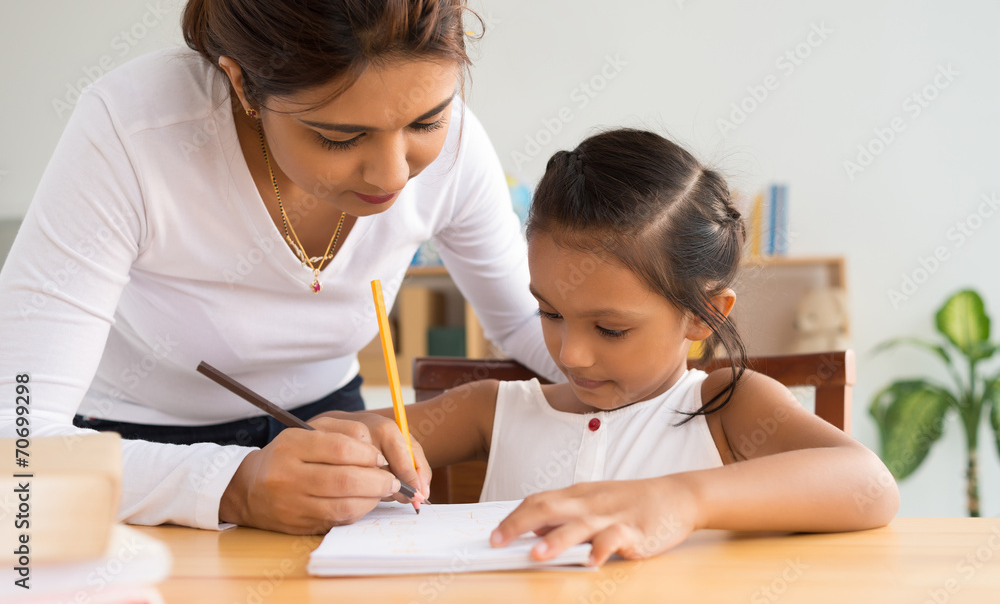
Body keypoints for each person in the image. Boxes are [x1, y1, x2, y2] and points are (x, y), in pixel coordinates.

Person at [0, 0, 562, 535]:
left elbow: (531, 324)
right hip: (133, 454)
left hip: (338, 442)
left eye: (426, 121)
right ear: (242, 87)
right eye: (341, 137)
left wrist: (664, 384)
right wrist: (237, 487)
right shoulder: (133, 132)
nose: (394, 174)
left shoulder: (459, 149)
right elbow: (17, 439)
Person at [337, 128, 900, 565]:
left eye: (609, 329)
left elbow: (870, 486)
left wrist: (682, 500)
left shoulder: (729, 405)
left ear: (703, 315)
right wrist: (346, 450)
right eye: (550, 313)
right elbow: (322, 442)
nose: (570, 353)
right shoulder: (491, 410)